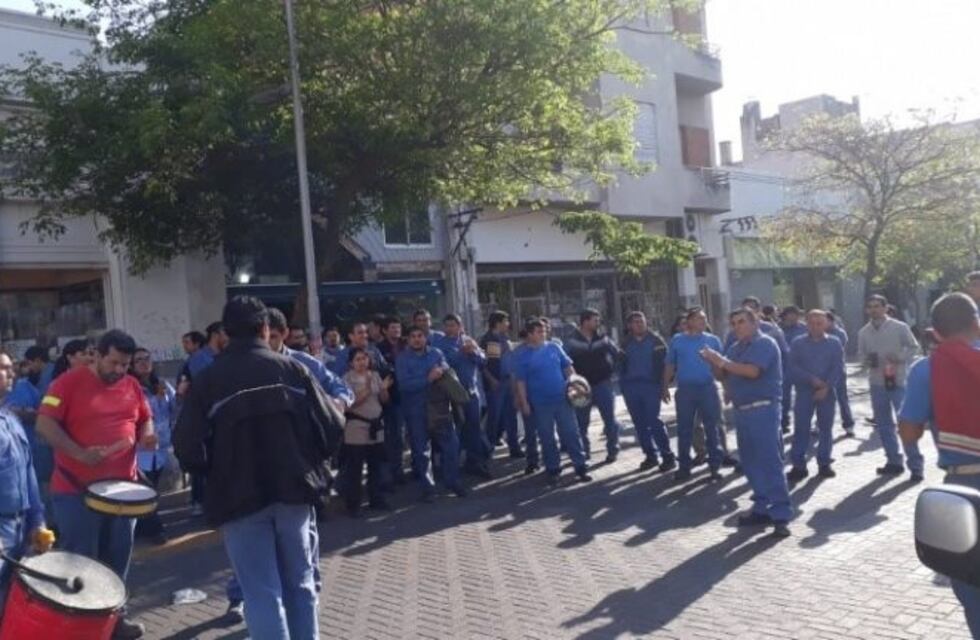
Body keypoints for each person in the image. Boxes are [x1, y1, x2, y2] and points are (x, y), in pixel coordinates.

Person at [174, 296, 342, 640]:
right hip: (294, 492)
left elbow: (186, 446)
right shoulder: (292, 370)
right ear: (265, 328)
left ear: (224, 334)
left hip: (239, 499)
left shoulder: (208, 381)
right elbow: (332, 426)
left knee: (261, 593)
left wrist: (215, 470)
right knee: (301, 584)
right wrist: (310, 462)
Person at [36, 329, 156, 639]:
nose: (120, 370)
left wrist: (147, 434)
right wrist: (79, 453)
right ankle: (81, 630)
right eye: (113, 362)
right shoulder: (65, 384)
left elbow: (144, 417)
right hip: (75, 491)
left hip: (122, 492)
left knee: (118, 561)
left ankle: (114, 622)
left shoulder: (131, 385)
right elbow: (44, 424)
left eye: (125, 364)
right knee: (81, 563)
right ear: (97, 355)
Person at [898, 292, 980, 634]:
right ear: (976, 323)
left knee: (973, 585)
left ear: (935, 332)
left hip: (965, 488)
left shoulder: (926, 369)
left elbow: (908, 433)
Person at [702, 308, 792, 538]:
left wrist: (721, 361)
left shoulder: (765, 343)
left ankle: (780, 515)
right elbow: (723, 375)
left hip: (764, 409)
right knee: (750, 462)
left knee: (770, 462)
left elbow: (752, 372)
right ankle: (761, 508)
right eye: (734, 323)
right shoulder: (735, 348)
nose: (737, 326)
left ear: (755, 322)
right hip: (742, 411)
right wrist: (713, 362)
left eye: (741, 321)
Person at [0, 352, 54, 616]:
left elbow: (28, 476)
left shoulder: (11, 420)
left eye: (12, 367)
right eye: (4, 368)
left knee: (15, 605)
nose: (12, 373)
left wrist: (38, 522)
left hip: (20, 530)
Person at [513, 319, 591, 485]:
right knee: (547, 437)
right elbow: (521, 382)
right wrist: (524, 403)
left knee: (571, 433)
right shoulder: (523, 356)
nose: (544, 334)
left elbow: (568, 368)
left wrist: (575, 385)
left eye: (544, 331)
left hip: (563, 399)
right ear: (530, 334)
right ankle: (553, 469)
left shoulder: (554, 348)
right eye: (539, 331)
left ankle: (580, 466)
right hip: (540, 403)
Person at [857, 294, 923, 480]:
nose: (874, 309)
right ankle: (893, 462)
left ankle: (916, 466)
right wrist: (866, 361)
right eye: (870, 306)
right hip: (877, 383)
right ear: (867, 310)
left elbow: (914, 347)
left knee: (905, 424)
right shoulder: (863, 332)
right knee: (884, 425)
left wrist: (900, 358)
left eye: (877, 306)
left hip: (899, 381)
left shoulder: (899, 327)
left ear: (886, 308)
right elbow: (860, 354)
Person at [395, 326, 465, 502]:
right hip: (415, 410)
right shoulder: (402, 359)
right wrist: (428, 378)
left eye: (420, 335)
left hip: (440, 407)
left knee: (451, 446)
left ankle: (452, 481)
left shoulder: (436, 353)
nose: (417, 339)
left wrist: (441, 371)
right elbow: (404, 384)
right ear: (408, 339)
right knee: (421, 451)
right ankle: (428, 488)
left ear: (425, 338)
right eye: (413, 336)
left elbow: (446, 370)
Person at [664, 308, 724, 482]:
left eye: (704, 318)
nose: (703, 321)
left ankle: (715, 467)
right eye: (699, 318)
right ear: (689, 321)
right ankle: (684, 467)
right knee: (684, 429)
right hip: (685, 391)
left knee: (712, 428)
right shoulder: (677, 340)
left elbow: (722, 367)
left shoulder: (713, 340)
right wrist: (664, 386)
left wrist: (725, 385)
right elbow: (670, 364)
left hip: (708, 389)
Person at [786, 310, 845, 482]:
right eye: (812, 323)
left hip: (827, 392)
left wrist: (826, 386)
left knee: (825, 429)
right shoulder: (797, 343)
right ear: (806, 324)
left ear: (826, 324)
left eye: (819, 323)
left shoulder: (834, 343)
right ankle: (798, 465)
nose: (815, 326)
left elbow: (838, 367)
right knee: (801, 428)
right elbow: (792, 366)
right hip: (804, 391)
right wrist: (811, 379)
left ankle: (824, 463)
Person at [435, 315, 493, 479]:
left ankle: (474, 462)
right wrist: (461, 353)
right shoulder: (440, 345)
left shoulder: (468, 340)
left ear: (460, 326)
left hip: (471, 392)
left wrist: (474, 352)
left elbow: (483, 361)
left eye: (453, 325)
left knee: (474, 428)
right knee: (454, 431)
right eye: (447, 325)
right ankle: (450, 467)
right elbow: (444, 365)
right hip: (452, 394)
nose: (449, 328)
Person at [564, 309, 624, 463]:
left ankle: (613, 449)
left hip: (603, 384)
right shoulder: (571, 341)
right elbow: (564, 363)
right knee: (581, 422)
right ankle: (583, 453)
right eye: (595, 320)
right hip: (580, 388)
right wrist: (571, 383)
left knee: (610, 420)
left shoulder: (603, 338)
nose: (598, 323)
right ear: (585, 322)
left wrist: (612, 372)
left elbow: (617, 354)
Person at [620, 311, 676, 472]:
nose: (639, 324)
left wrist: (664, 386)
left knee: (654, 421)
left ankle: (667, 456)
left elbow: (668, 364)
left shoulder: (656, 341)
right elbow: (619, 365)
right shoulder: (625, 343)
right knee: (639, 424)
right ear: (629, 325)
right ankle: (650, 456)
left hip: (651, 387)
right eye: (635, 322)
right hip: (631, 388)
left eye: (641, 321)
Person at [131, 348, 176, 545]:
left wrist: (175, 396)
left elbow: (174, 408)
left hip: (160, 449)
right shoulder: (131, 388)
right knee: (146, 491)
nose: (144, 363)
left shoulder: (162, 385)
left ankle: (141, 526)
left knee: (150, 490)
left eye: (146, 358)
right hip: (140, 450)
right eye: (138, 360)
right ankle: (155, 530)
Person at [342, 348, 392, 515]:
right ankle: (354, 504)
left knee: (375, 466)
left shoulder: (375, 375)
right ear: (351, 363)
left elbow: (384, 400)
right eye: (358, 359)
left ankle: (376, 498)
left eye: (364, 358)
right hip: (357, 427)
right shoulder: (346, 379)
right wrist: (368, 387)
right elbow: (350, 404)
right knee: (355, 468)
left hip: (376, 425)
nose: (362, 362)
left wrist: (384, 389)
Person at [479, 311, 522, 457]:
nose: (508, 324)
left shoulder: (503, 338)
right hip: (497, 384)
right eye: (506, 321)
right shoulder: (490, 340)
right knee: (494, 418)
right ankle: (488, 449)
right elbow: (487, 364)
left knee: (510, 416)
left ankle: (514, 447)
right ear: (498, 323)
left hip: (508, 381)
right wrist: (491, 380)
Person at [376, 317, 408, 485]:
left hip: (410, 395)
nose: (396, 331)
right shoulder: (379, 349)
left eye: (398, 327)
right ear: (384, 330)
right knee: (394, 436)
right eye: (393, 328)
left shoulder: (407, 344)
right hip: (391, 398)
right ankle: (394, 472)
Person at [508, 327, 541, 475]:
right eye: (538, 331)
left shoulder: (549, 348)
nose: (542, 334)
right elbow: (514, 377)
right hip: (527, 395)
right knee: (530, 431)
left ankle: (550, 460)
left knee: (546, 430)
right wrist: (517, 396)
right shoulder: (518, 353)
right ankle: (532, 461)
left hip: (546, 396)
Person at [825, 312, 855, 436]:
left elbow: (836, 350)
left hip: (837, 370)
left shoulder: (839, 333)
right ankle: (820, 424)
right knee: (822, 399)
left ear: (831, 321)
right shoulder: (819, 333)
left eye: (825, 321)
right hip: (822, 370)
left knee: (842, 397)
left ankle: (848, 424)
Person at [779, 306, 807, 431]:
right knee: (784, 396)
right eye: (790, 314)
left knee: (803, 396)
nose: (793, 317)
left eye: (795, 315)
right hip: (783, 367)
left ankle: (803, 422)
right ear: (785, 316)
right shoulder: (778, 329)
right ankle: (784, 421)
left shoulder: (804, 328)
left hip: (801, 367)